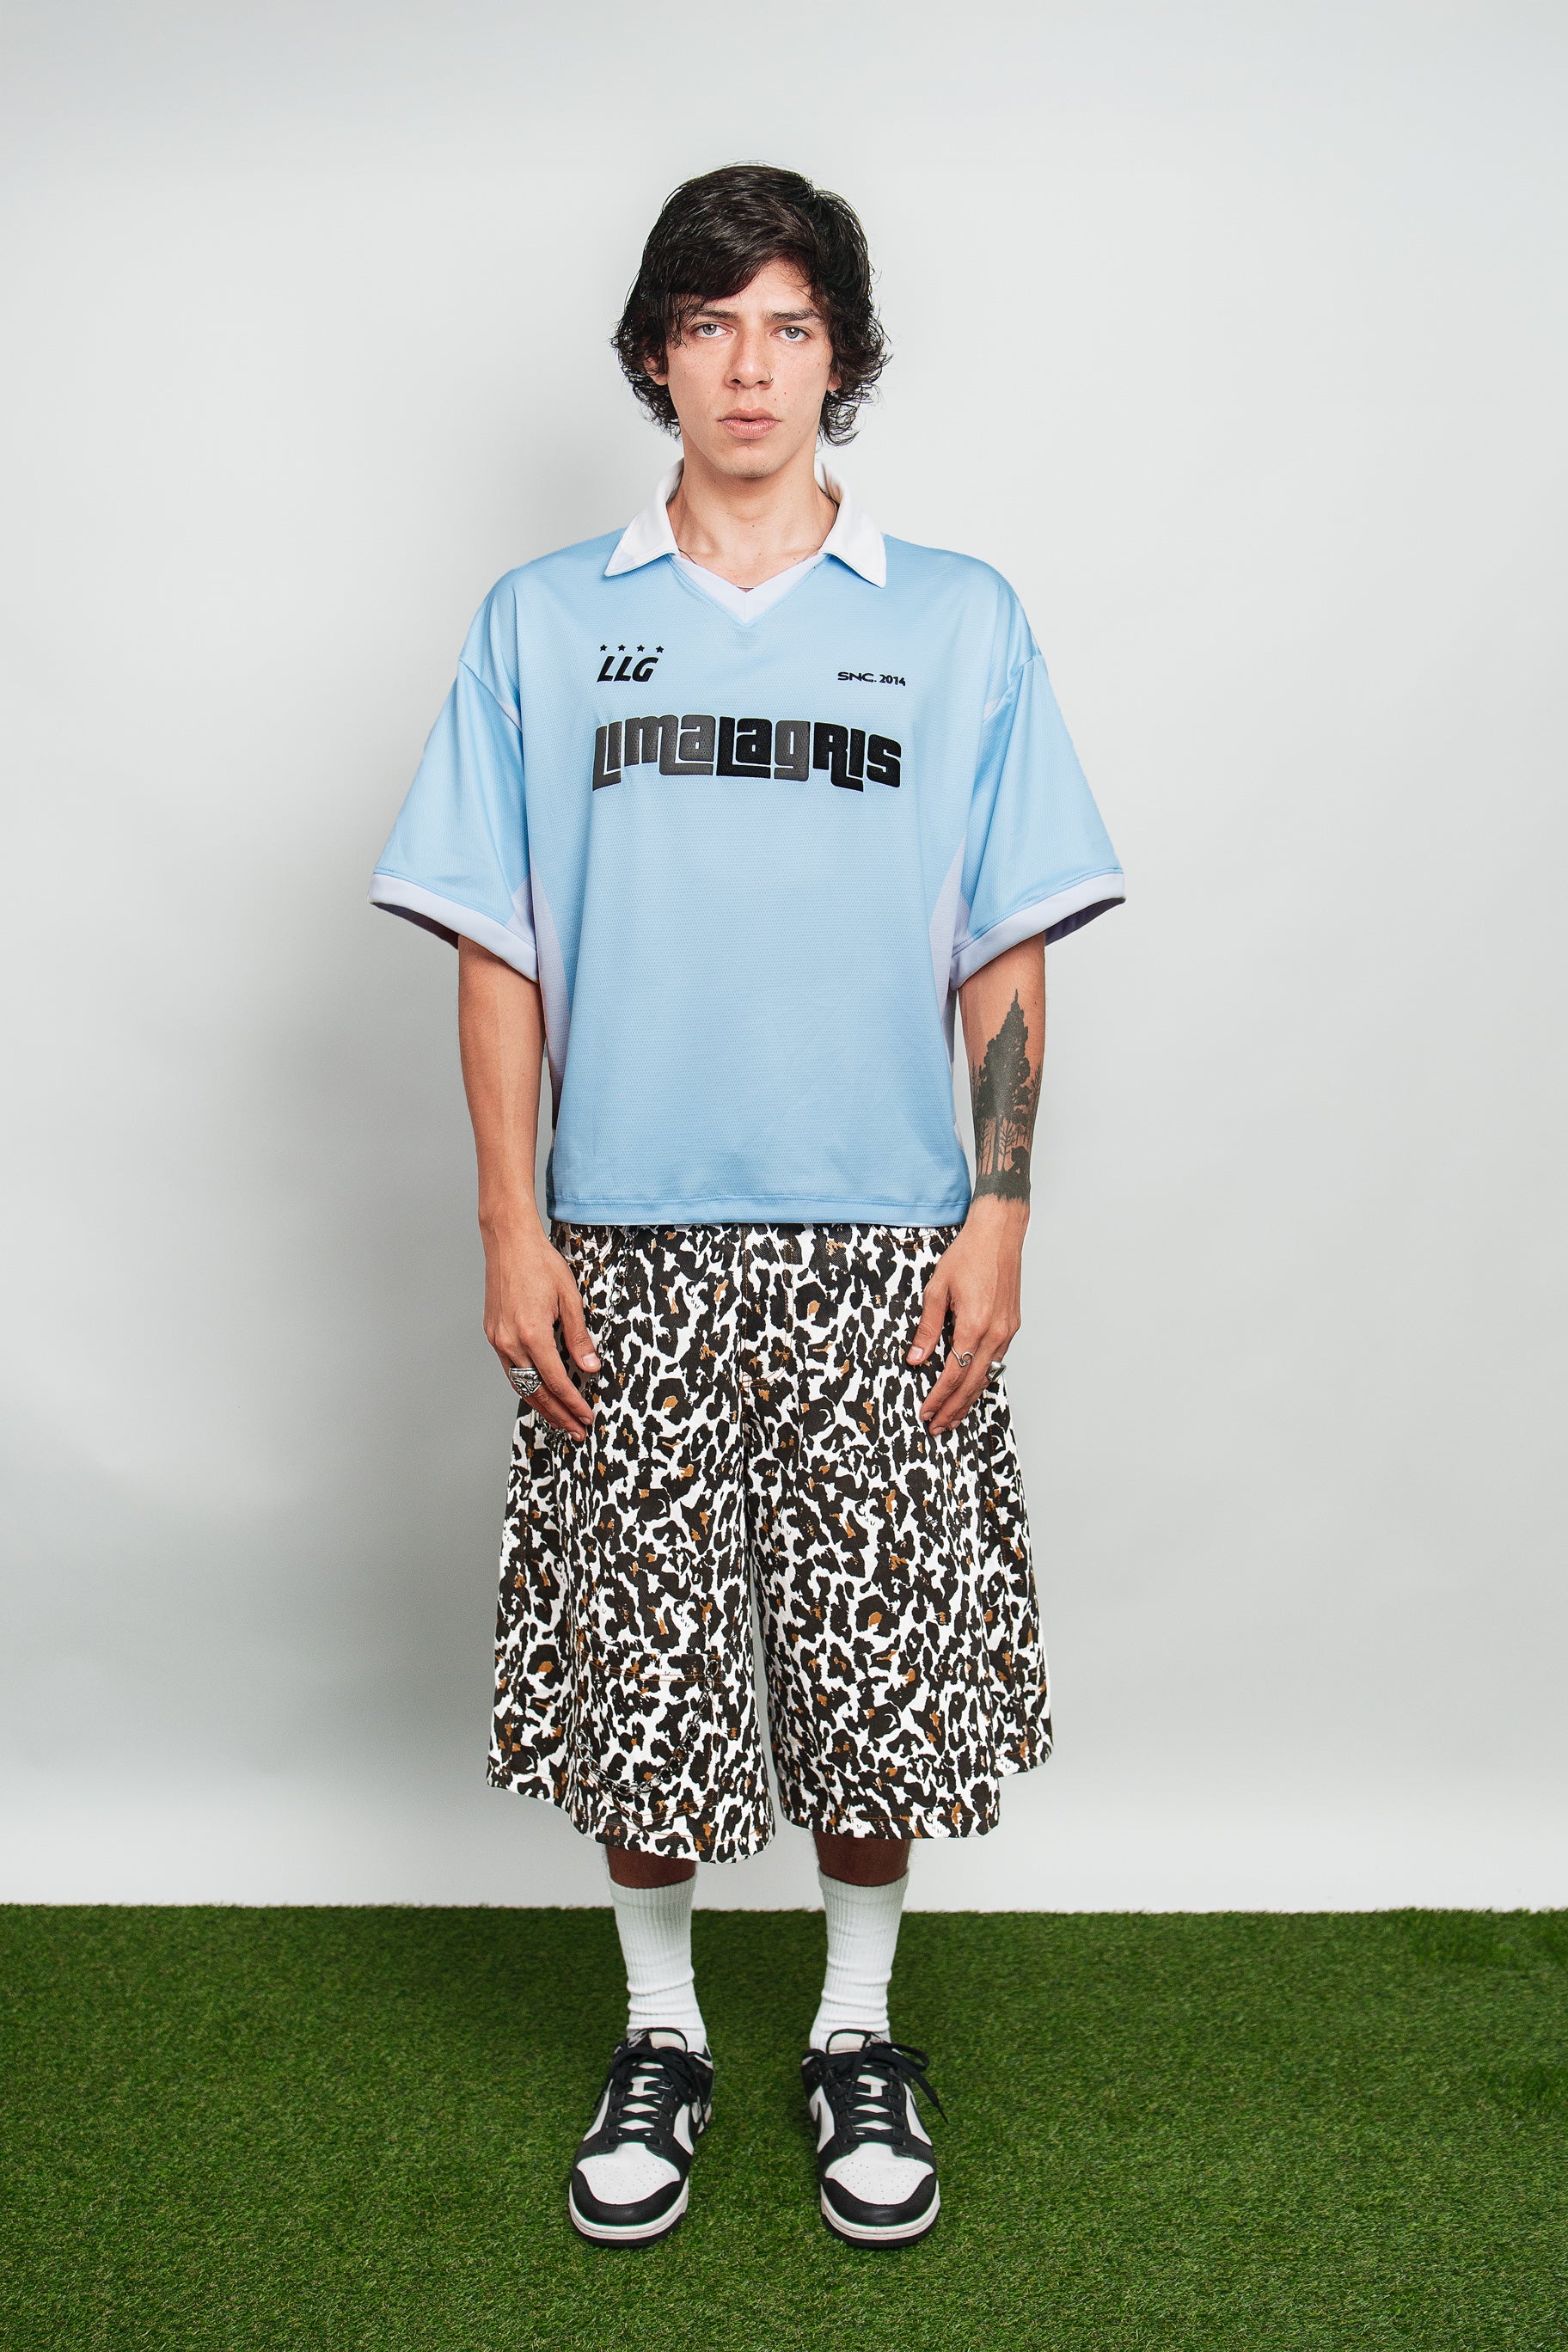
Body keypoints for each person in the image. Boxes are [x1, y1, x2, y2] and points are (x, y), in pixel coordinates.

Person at [371, 162, 1124, 2249]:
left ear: (843, 359)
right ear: (655, 355)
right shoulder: (545, 624)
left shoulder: (958, 618)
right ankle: (665, 2034)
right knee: (652, 1674)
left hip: (883, 1238)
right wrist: (513, 1225)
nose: (750, 366)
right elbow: (499, 946)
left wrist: (1000, 1209)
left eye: (792, 325)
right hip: (622, 1237)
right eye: (710, 324)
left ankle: (855, 2032)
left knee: (877, 1673)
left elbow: (1004, 940)